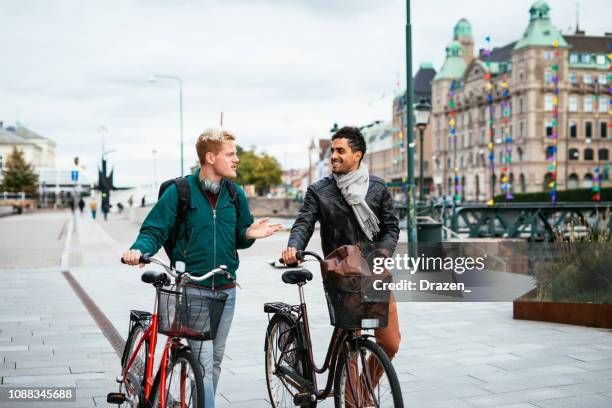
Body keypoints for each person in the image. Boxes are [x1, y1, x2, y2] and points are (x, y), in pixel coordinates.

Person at [122, 128, 282, 407]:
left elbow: (240, 235)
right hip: (193, 288)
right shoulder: (180, 192)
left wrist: (248, 234)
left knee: (215, 361)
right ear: (210, 157)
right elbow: (154, 229)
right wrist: (139, 250)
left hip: (226, 289)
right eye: (230, 154)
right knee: (204, 363)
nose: (237, 160)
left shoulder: (235, 195)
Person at [281, 126, 401, 379]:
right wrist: (294, 246)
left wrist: (383, 251)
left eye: (340, 151)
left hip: (374, 272)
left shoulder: (377, 187)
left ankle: (364, 388)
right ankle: (351, 399)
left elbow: (391, 227)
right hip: (340, 273)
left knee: (390, 343)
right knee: (349, 344)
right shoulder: (319, 191)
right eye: (332, 151)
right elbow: (304, 222)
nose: (333, 155)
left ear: (357, 155)